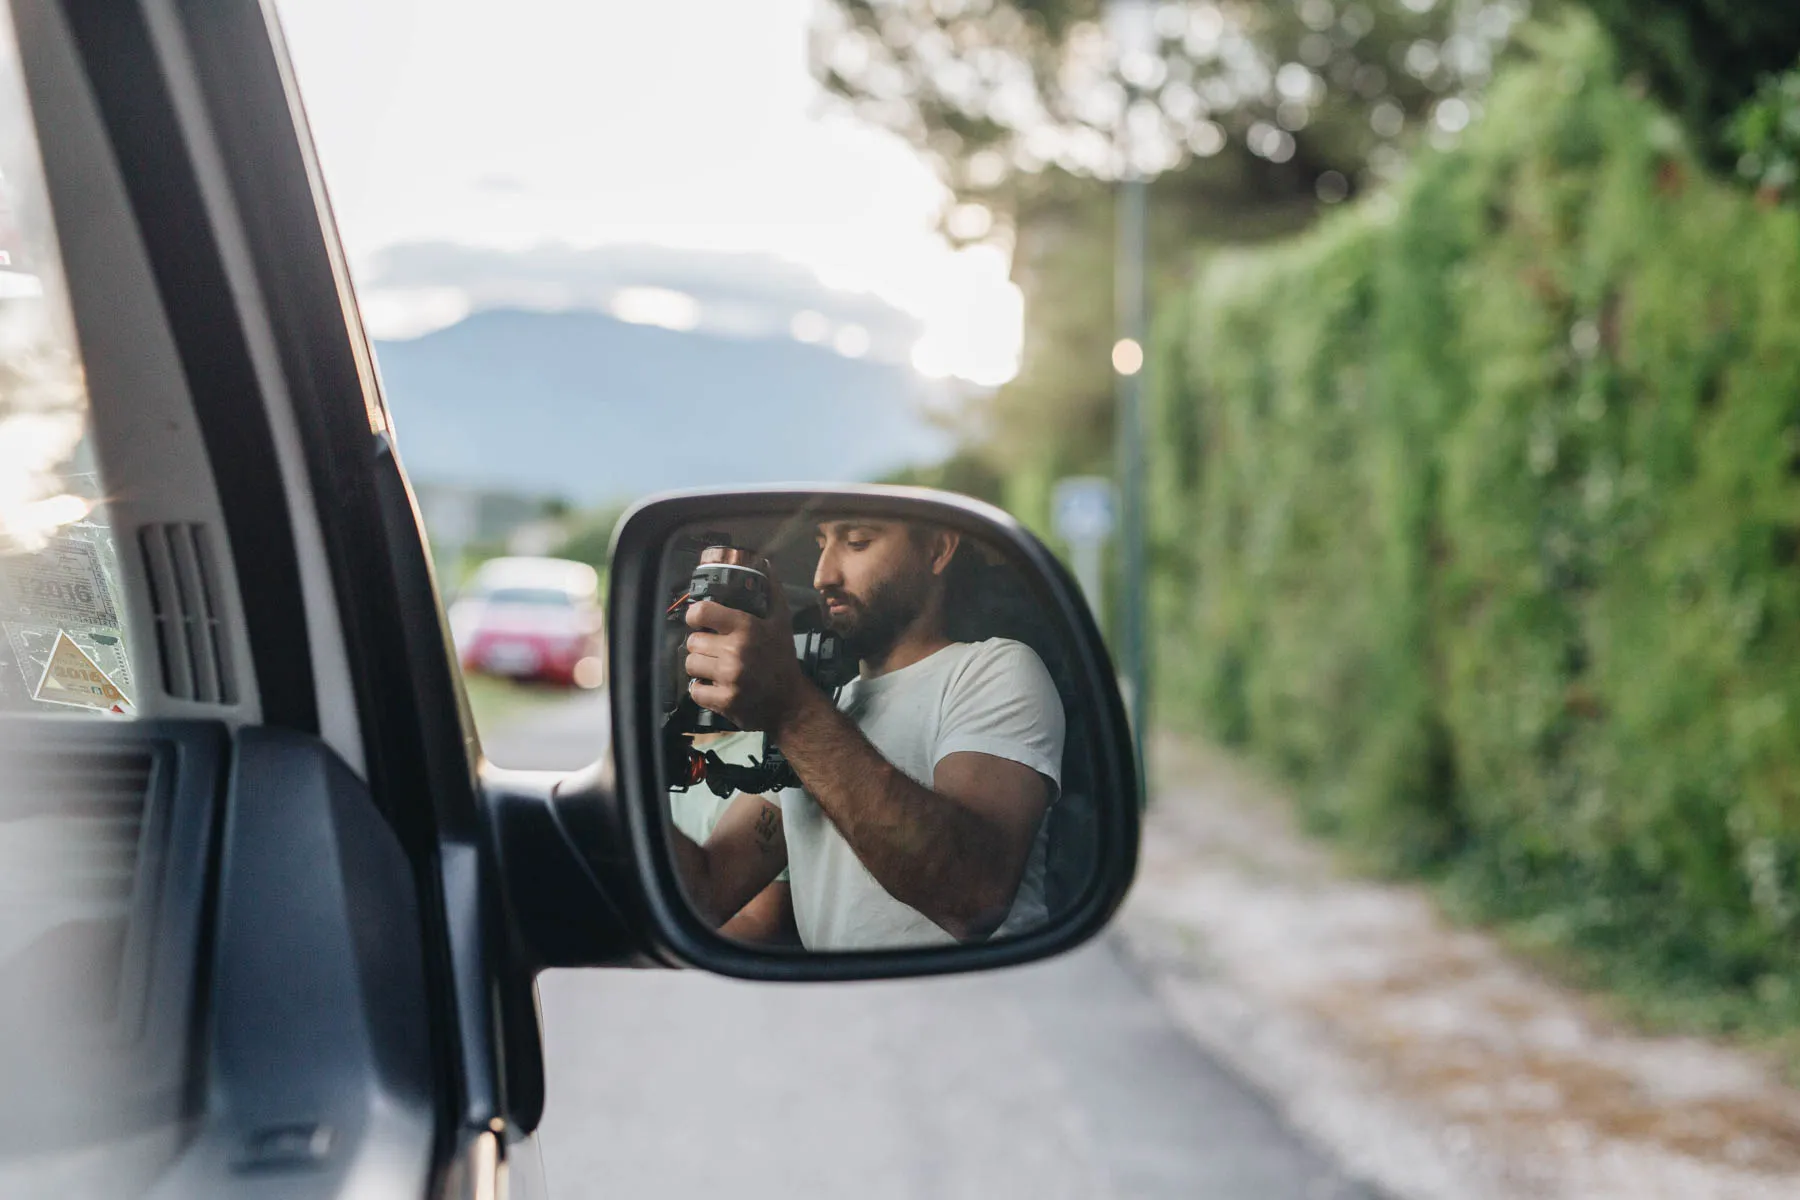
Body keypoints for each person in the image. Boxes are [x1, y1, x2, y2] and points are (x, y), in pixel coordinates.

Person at [670, 518, 1065, 951]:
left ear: (937, 550)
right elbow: (708, 891)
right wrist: (632, 746)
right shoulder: (824, 706)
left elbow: (972, 898)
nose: (823, 575)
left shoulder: (994, 671)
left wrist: (790, 710)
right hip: (840, 1014)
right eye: (822, 543)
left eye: (857, 542)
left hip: (976, 1012)